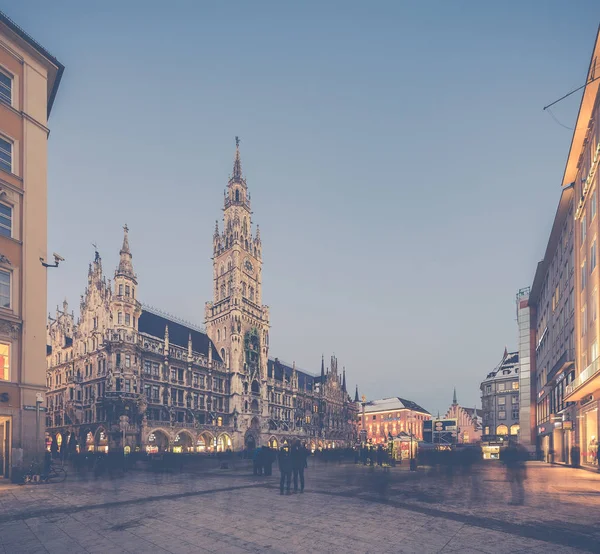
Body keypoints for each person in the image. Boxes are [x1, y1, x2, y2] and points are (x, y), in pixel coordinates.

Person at [502, 441, 528, 506]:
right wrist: (525, 471)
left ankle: (515, 501)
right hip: (521, 468)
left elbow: (505, 458)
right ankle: (521, 500)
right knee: (520, 485)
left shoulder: (509, 450)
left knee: (513, 485)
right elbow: (526, 458)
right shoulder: (522, 449)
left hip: (512, 468)